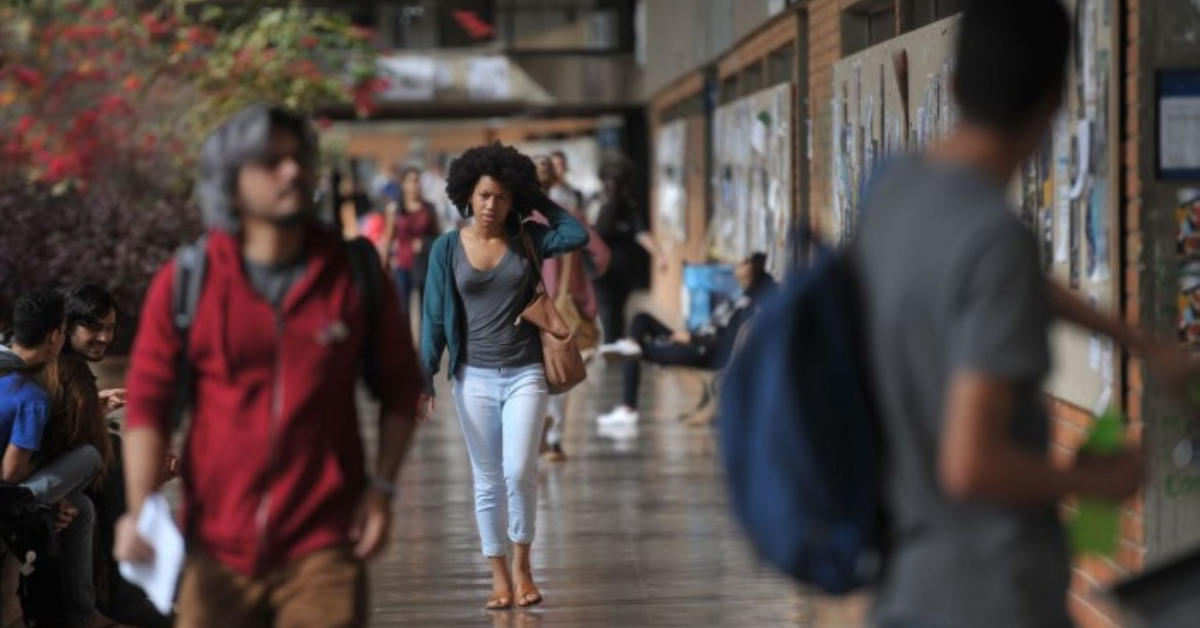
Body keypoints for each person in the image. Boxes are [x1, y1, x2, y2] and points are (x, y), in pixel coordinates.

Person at [849, 2, 1197, 627]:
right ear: (1056, 99)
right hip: (989, 595)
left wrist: (1136, 340)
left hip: (904, 584)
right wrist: (1096, 482)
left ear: (956, 86)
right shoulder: (994, 241)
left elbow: (1000, 283)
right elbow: (971, 463)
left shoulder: (894, 196)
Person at [115, 104, 423, 628]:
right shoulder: (188, 280)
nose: (292, 170)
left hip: (325, 544)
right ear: (231, 180)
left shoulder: (351, 272)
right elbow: (148, 405)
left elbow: (400, 387)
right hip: (215, 549)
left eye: (299, 157)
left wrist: (383, 490)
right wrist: (137, 510)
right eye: (271, 161)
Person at [419, 142, 589, 610]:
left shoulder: (527, 239)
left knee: (519, 471)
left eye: (502, 196)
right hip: (472, 378)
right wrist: (425, 376)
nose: (492, 205)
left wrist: (536, 198)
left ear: (514, 199)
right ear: (467, 196)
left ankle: (523, 567)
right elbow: (433, 318)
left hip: (525, 373)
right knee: (488, 480)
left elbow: (575, 234)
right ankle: (497, 575)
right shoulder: (446, 248)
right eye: (484, 195)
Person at [0, 289, 124, 628]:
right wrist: (51, 498)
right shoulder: (31, 393)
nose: (104, 337)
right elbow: (10, 474)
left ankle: (83, 615)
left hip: (13, 492)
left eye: (110, 328)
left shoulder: (10, 372)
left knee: (81, 509)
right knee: (91, 456)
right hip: (9, 501)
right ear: (57, 336)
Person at [60, 284, 170, 628]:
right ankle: (124, 590)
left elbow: (66, 425)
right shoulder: (63, 367)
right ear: (68, 326)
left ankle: (132, 582)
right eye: (94, 328)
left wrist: (94, 411)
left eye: (109, 328)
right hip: (43, 480)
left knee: (114, 446)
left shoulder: (71, 365)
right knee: (111, 451)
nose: (105, 338)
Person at [596, 253, 774, 427]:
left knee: (632, 354)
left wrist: (692, 339)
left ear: (751, 270)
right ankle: (631, 343)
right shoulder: (740, 295)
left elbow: (725, 343)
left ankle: (628, 408)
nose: (739, 264)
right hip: (696, 341)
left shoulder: (748, 305)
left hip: (702, 351)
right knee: (642, 318)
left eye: (745, 262)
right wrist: (689, 336)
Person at [532, 155, 611, 462]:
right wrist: (583, 282)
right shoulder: (570, 216)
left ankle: (534, 429)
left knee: (530, 372)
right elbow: (601, 254)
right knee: (558, 370)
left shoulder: (517, 218)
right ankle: (554, 439)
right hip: (562, 306)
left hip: (526, 306)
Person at [591, 157, 666, 340]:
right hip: (600, 269)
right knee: (608, 308)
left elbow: (641, 234)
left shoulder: (629, 206)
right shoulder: (595, 203)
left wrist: (659, 254)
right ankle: (611, 343)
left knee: (617, 308)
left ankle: (614, 343)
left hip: (622, 269)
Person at [380, 166, 442, 321]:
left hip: (425, 264)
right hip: (403, 264)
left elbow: (438, 237)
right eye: (411, 181)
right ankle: (405, 337)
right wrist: (383, 265)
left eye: (417, 181)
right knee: (402, 309)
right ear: (403, 184)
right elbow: (388, 238)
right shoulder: (394, 209)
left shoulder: (429, 208)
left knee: (425, 310)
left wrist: (425, 243)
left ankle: (423, 338)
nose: (415, 185)